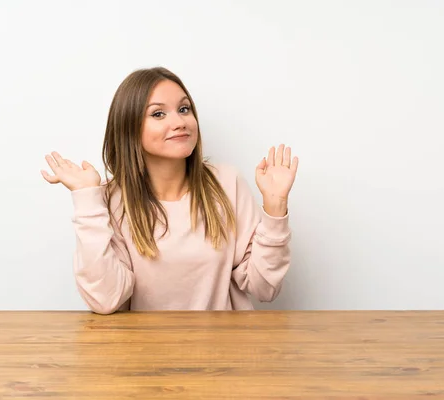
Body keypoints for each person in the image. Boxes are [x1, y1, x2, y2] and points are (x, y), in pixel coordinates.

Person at [41, 67, 299, 313]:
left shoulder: (227, 183)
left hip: (225, 351)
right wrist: (87, 200)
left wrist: (275, 208)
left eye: (184, 109)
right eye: (158, 114)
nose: (180, 122)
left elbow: (264, 288)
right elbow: (105, 299)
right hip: (144, 354)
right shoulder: (110, 199)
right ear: (129, 128)